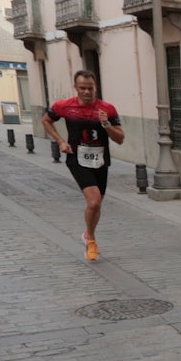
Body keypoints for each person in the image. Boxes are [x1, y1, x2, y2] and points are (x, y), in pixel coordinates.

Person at [42, 71, 124, 262]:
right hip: (77, 159)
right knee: (93, 201)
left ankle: (88, 233)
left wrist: (107, 125)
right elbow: (46, 120)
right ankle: (91, 240)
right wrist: (61, 141)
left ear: (95, 88)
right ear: (75, 88)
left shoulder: (107, 109)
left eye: (90, 88)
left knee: (97, 204)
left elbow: (120, 138)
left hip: (100, 160)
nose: (87, 92)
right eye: (82, 88)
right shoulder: (64, 106)